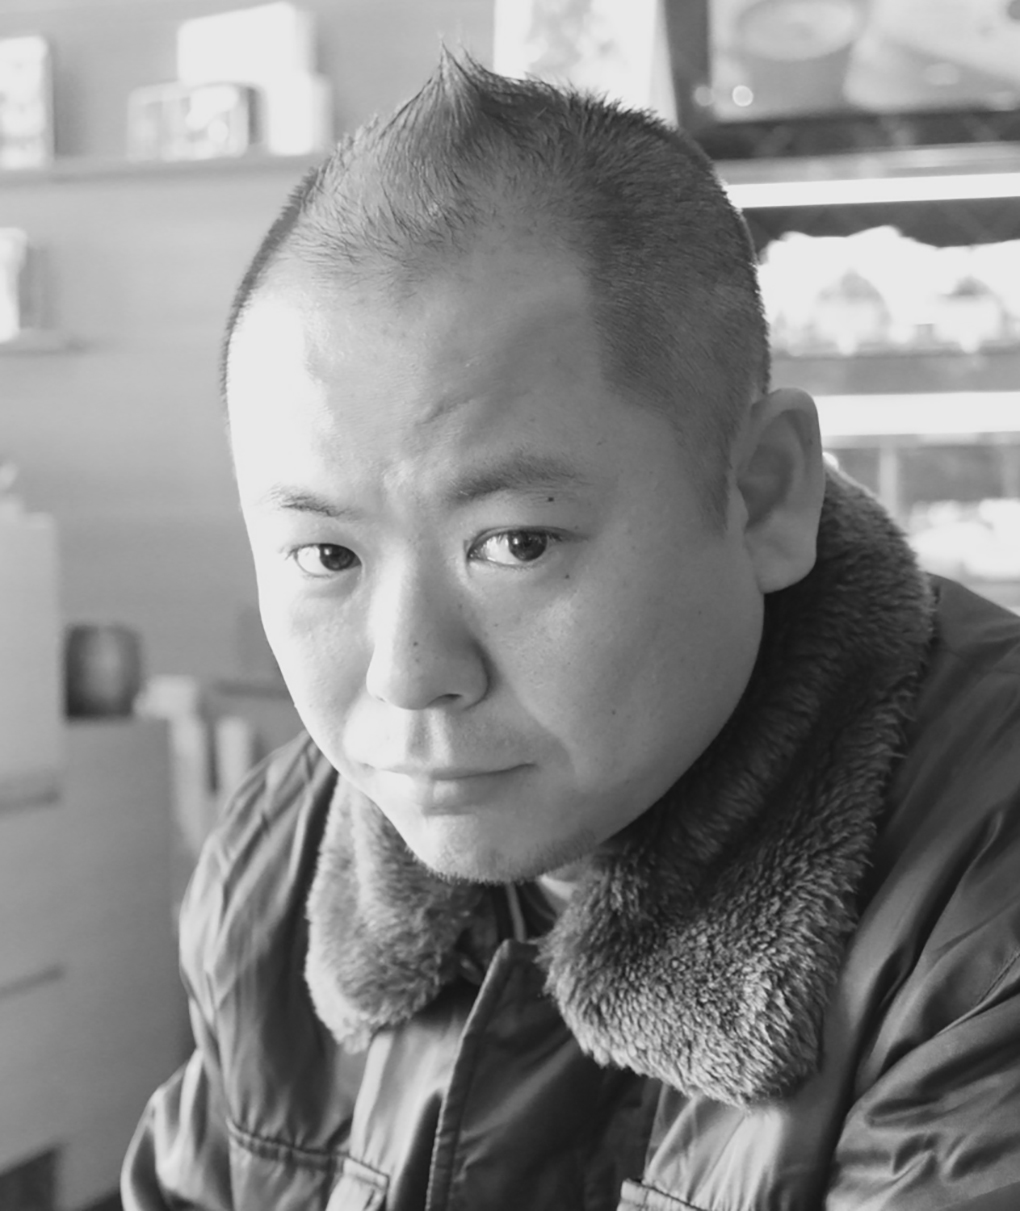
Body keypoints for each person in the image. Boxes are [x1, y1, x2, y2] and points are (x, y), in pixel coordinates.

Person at [122, 53, 1020, 1211]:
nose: (409, 675)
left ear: (763, 494)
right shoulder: (283, 853)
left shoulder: (981, 899)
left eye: (515, 543)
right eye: (326, 557)